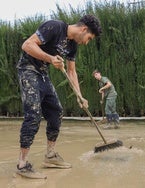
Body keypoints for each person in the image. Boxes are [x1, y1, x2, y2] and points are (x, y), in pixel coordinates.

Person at [16, 14, 102, 178]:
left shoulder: (72, 45)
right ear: (83, 29)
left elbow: (71, 71)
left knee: (56, 111)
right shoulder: (54, 27)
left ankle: (50, 156)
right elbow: (27, 45)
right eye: (89, 38)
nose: (86, 42)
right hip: (28, 70)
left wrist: (79, 96)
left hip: (42, 73)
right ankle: (22, 164)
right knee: (33, 115)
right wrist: (49, 58)